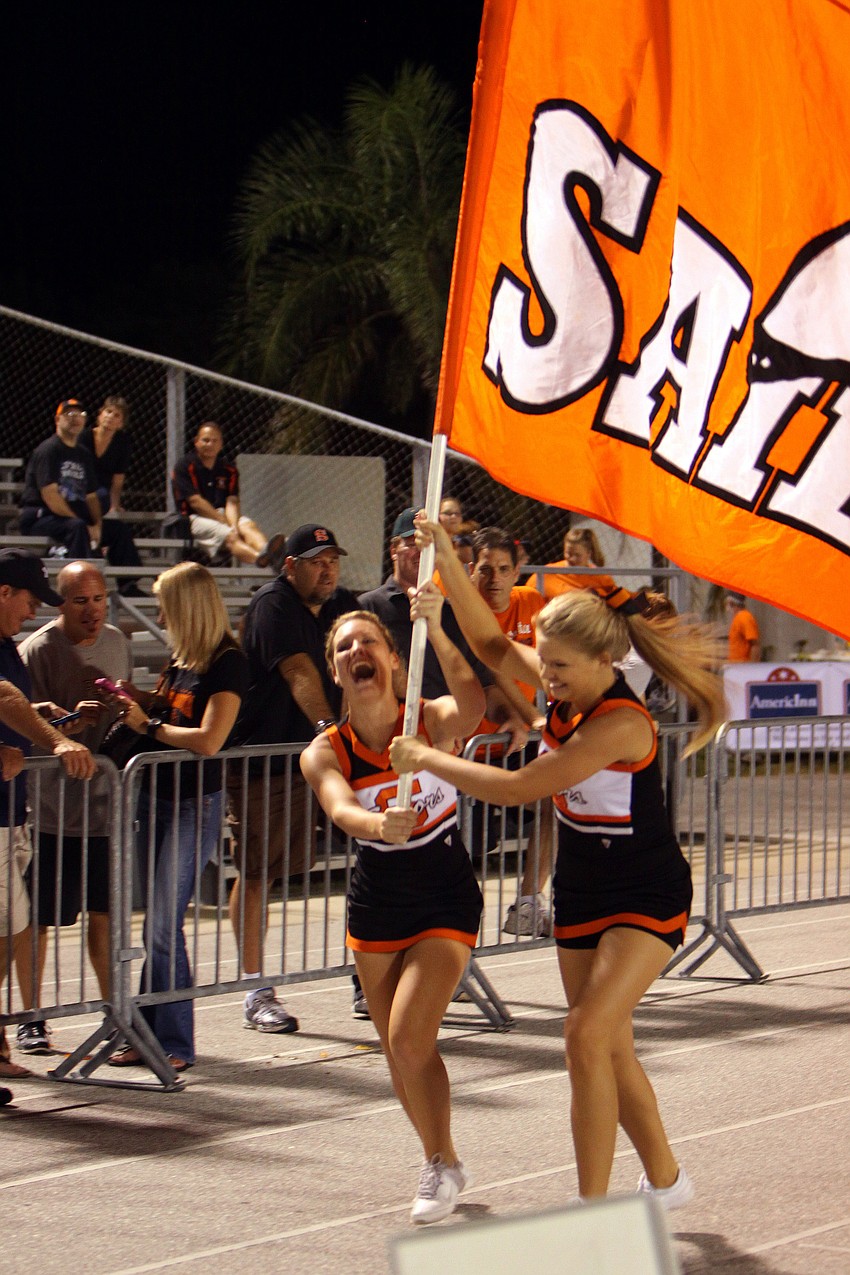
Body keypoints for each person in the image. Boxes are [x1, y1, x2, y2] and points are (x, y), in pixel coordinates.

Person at [390, 514, 726, 1208]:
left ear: (606, 662)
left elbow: (520, 786)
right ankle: (666, 1179)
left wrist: (428, 757)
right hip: (581, 888)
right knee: (607, 1043)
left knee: (584, 1032)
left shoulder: (621, 723)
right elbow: (488, 638)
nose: (546, 678)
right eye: (543, 663)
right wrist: (445, 554)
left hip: (645, 891)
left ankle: (592, 1210)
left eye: (560, 667)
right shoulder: (563, 688)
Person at [300, 592, 485, 1225]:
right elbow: (339, 808)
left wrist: (435, 625)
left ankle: (435, 1165)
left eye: (368, 642)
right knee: (398, 1052)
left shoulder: (429, 719)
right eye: (345, 647)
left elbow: (478, 704)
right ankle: (445, 1156)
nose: (358, 652)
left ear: (392, 658)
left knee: (410, 1036)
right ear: (336, 671)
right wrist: (379, 824)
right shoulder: (326, 750)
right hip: (377, 903)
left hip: (443, 893)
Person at [106, 562, 248, 1072]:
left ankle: (175, 1043)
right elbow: (174, 714)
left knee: (165, 924)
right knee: (156, 927)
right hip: (158, 799)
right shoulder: (183, 656)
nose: (159, 614)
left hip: (195, 803)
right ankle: (149, 1032)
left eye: (166, 604)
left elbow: (210, 739)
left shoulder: (228, 661)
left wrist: (151, 726)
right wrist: (136, 699)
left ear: (187, 606)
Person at [227, 524, 359, 1032]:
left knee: (288, 867)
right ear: (289, 566)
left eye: (332, 559)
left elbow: (358, 660)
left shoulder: (340, 602)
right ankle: (253, 988)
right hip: (266, 759)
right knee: (257, 869)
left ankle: (365, 977)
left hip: (311, 760)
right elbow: (301, 672)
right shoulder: (272, 604)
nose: (326, 569)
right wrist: (334, 731)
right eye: (314, 561)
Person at [16, 562, 132, 1053]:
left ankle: (115, 1015)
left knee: (104, 916)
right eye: (81, 601)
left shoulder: (117, 643)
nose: (92, 610)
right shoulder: (35, 651)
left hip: (104, 810)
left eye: (99, 599)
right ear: (60, 603)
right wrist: (68, 724)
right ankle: (32, 1017)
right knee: (40, 919)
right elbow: (24, 725)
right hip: (50, 810)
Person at [0, 550, 96, 1079]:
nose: (32, 612)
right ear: (3, 593)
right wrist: (56, 742)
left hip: (11, 813)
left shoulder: (8, 644)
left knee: (12, 926)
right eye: (28, 600)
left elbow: (15, 703)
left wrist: (37, 720)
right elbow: (4, 696)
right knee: (7, 927)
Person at [466, 527, 552, 938]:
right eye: (486, 570)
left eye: (504, 569)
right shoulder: (461, 610)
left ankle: (529, 901)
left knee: (560, 798)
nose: (495, 579)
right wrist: (528, 716)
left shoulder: (532, 602)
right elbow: (492, 670)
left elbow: (549, 660)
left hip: (519, 740)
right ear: (471, 570)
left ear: (518, 570)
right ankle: (459, 924)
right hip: (474, 742)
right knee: (471, 843)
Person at [19, 400, 144, 596]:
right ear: (57, 419)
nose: (75, 419)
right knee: (77, 527)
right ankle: (78, 589)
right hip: (40, 516)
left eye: (79, 415)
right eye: (69, 415)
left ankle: (129, 586)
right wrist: (81, 522)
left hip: (70, 517)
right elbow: (50, 495)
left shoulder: (82, 454)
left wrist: (95, 523)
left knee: (118, 531)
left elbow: (91, 496)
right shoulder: (49, 450)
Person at [170, 421, 285, 569]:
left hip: (223, 515)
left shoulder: (228, 469)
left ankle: (267, 552)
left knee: (248, 526)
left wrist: (234, 524)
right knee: (230, 536)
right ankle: (262, 560)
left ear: (221, 444)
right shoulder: (185, 466)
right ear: (196, 442)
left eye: (215, 441)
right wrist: (227, 524)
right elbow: (195, 502)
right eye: (205, 440)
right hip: (193, 518)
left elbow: (232, 501)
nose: (210, 444)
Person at [78, 395, 132, 516]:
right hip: (80, 487)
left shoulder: (122, 444)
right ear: (100, 414)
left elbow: (118, 480)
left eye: (116, 415)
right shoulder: (84, 437)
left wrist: (114, 505)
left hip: (102, 491)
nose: (110, 416)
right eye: (108, 411)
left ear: (121, 424)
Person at [540, 526, 616, 600]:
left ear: (589, 553)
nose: (572, 558)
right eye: (568, 553)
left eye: (577, 555)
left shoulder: (602, 579)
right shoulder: (548, 573)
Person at [726, 592, 760, 662]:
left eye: (728, 603)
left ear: (732, 603)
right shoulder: (738, 618)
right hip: (736, 666)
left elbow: (755, 645)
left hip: (743, 666)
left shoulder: (745, 617)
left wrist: (751, 667)